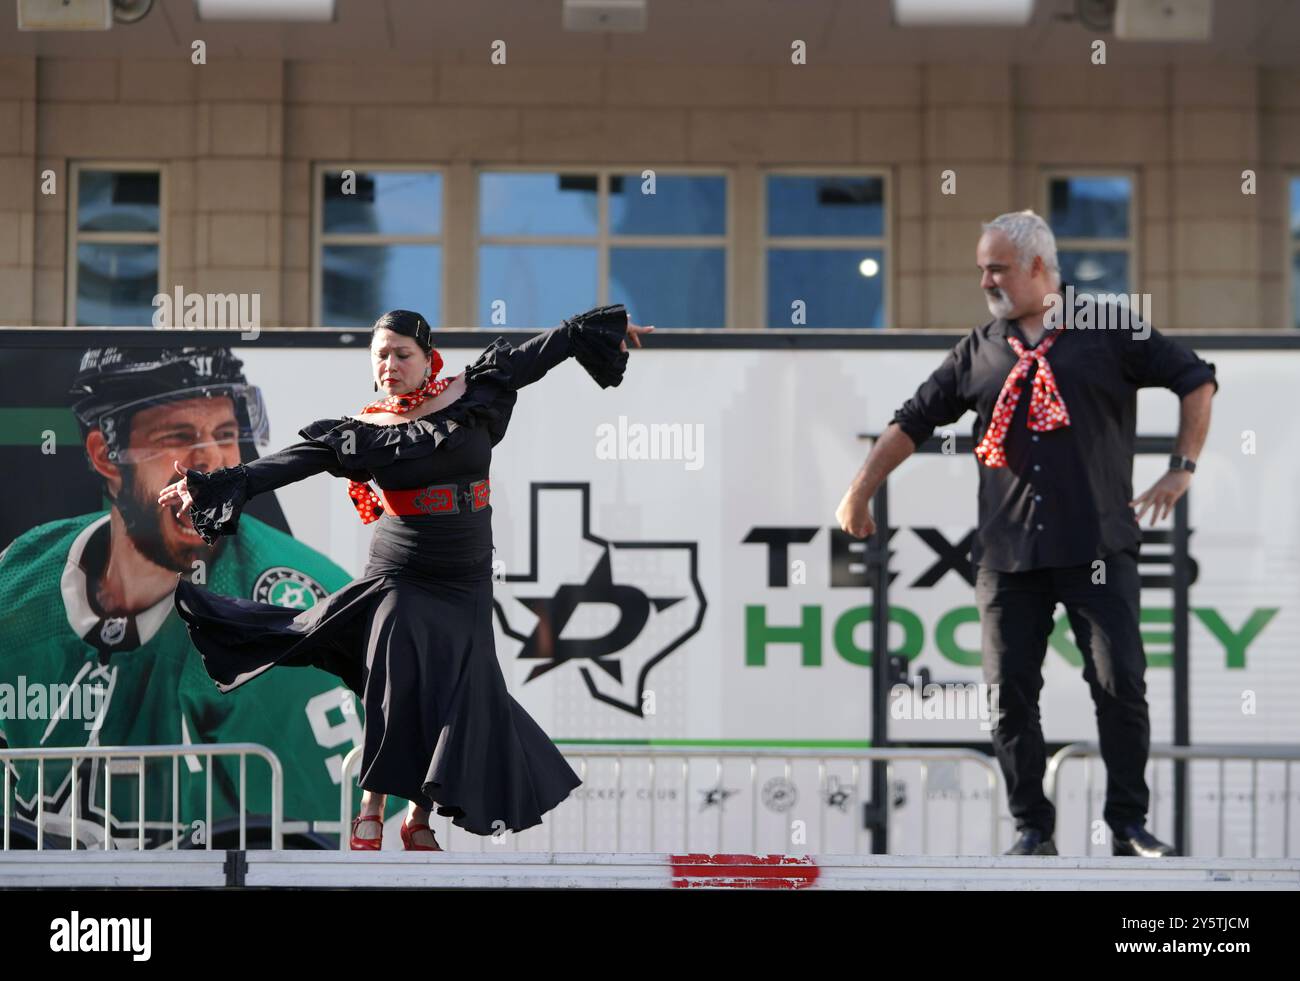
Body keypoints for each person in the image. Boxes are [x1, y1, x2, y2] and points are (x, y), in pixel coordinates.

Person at [159, 304, 653, 850]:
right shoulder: (360, 432)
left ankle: (419, 819)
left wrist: (599, 330)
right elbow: (278, 466)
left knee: (462, 690)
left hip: (465, 574)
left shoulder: (474, 392)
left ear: (427, 358)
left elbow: (542, 352)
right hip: (403, 569)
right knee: (400, 678)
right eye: (381, 356)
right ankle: (371, 807)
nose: (390, 364)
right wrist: (211, 487)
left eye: (401, 354)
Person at [835, 210, 1217, 858]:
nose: (985, 279)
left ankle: (1127, 821)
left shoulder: (1108, 326)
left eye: (997, 267)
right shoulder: (981, 346)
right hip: (1009, 554)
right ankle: (1032, 827)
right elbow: (913, 419)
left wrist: (1180, 469)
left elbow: (1196, 377)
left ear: (1038, 267)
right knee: (1009, 693)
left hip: (1097, 545)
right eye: (982, 267)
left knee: (1120, 680)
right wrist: (859, 489)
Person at [0, 345, 370, 848]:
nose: (211, 463)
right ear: (104, 455)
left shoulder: (296, 610)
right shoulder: (21, 576)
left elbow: (316, 854)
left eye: (224, 435)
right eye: (177, 437)